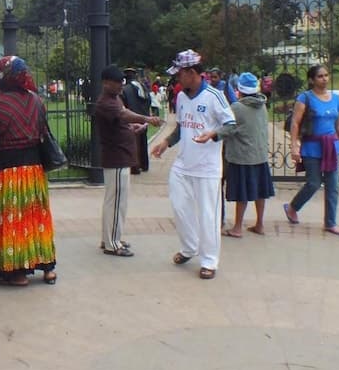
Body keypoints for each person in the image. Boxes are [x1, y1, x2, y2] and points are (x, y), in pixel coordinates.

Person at [151, 49, 236, 280]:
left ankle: (209, 260)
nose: (177, 78)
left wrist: (213, 134)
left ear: (191, 72)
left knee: (208, 215)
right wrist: (166, 143)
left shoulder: (214, 96)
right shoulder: (181, 96)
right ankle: (189, 247)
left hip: (207, 167)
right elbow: (181, 127)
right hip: (183, 164)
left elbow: (231, 125)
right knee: (180, 206)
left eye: (179, 73)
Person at [0, 56, 57, 286]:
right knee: (37, 217)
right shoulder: (37, 100)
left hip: (9, 171)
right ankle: (47, 267)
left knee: (13, 219)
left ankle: (17, 272)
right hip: (35, 169)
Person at [94, 65, 162, 257]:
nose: (120, 86)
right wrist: (146, 118)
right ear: (106, 83)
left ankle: (110, 237)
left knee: (114, 201)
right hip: (116, 157)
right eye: (116, 83)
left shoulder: (114, 99)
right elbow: (123, 115)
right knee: (116, 202)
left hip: (120, 156)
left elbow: (121, 120)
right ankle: (112, 244)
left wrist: (132, 128)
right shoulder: (106, 102)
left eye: (121, 82)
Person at [283, 64, 339, 236]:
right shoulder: (305, 98)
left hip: (331, 147)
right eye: (320, 76)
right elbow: (295, 123)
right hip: (312, 146)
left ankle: (330, 223)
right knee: (313, 183)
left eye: (326, 75)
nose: (324, 79)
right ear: (312, 80)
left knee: (333, 186)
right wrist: (294, 146)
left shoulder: (335, 99)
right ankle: (292, 207)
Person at [221, 73, 274, 238]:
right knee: (260, 192)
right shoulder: (262, 105)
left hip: (242, 156)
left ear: (239, 90)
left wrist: (212, 135)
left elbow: (227, 128)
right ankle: (260, 224)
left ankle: (237, 227)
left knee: (241, 193)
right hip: (260, 155)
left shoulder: (237, 108)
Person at [121, 67, 153, 175]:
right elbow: (149, 100)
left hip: (132, 118)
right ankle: (144, 164)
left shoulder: (125, 89)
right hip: (143, 117)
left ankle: (135, 166)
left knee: (133, 143)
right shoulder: (143, 87)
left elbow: (124, 105)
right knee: (143, 141)